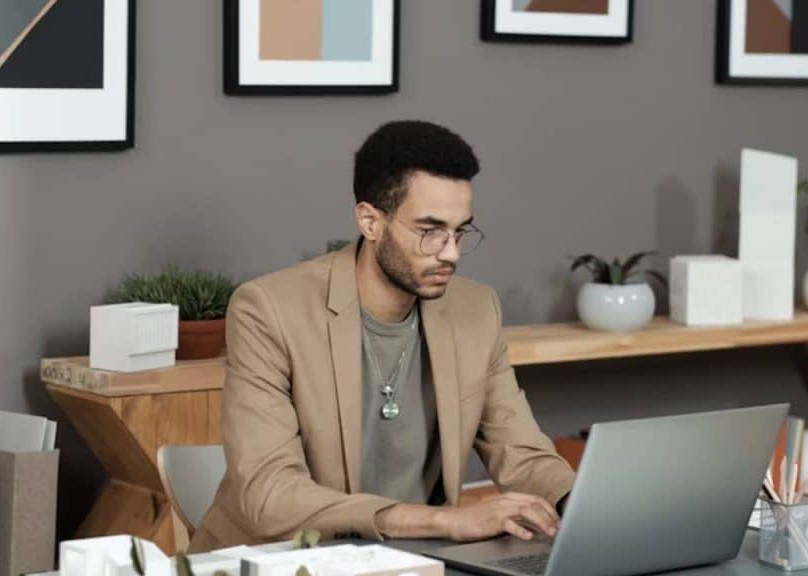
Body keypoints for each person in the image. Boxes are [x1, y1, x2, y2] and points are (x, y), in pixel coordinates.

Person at [189, 120, 574, 551]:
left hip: (411, 558)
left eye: (460, 230)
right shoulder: (269, 310)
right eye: (430, 232)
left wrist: (579, 503)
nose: (451, 252)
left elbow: (522, 452)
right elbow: (271, 496)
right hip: (285, 559)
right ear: (371, 222)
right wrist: (447, 521)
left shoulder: (476, 310)